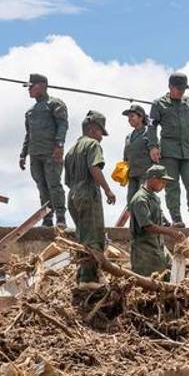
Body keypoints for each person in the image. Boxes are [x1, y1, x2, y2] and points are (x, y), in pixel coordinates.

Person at [64, 110, 119, 283]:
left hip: (73, 195)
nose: (101, 137)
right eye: (101, 133)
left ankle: (82, 275)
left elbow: (67, 181)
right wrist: (107, 189)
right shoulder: (92, 145)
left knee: (82, 236)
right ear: (93, 129)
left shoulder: (70, 151)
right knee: (93, 237)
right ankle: (89, 279)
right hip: (88, 193)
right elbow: (95, 168)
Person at [149, 73, 189, 227]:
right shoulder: (158, 104)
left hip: (187, 152)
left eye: (183, 89)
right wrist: (153, 146)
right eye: (178, 88)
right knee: (172, 187)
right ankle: (177, 219)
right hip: (168, 153)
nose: (181, 92)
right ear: (170, 87)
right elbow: (151, 127)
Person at [19, 73, 69, 228]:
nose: (29, 90)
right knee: (42, 186)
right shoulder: (30, 111)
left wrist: (59, 145)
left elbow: (63, 125)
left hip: (51, 152)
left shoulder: (55, 104)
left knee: (54, 185)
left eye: (31, 87)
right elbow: (29, 134)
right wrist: (23, 154)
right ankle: (47, 218)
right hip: (35, 154)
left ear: (41, 86)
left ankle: (60, 217)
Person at [127, 164, 186, 276]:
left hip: (157, 248)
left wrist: (170, 226)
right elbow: (148, 226)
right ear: (153, 179)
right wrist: (171, 232)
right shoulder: (140, 199)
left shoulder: (154, 198)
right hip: (144, 253)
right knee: (148, 284)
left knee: (167, 276)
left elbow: (160, 217)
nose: (164, 186)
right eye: (162, 182)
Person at [121, 104, 156, 204]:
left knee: (143, 200)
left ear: (140, 117)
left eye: (132, 116)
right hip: (132, 175)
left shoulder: (149, 133)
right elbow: (125, 157)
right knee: (131, 202)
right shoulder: (128, 137)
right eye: (128, 117)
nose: (129, 119)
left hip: (145, 174)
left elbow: (157, 153)